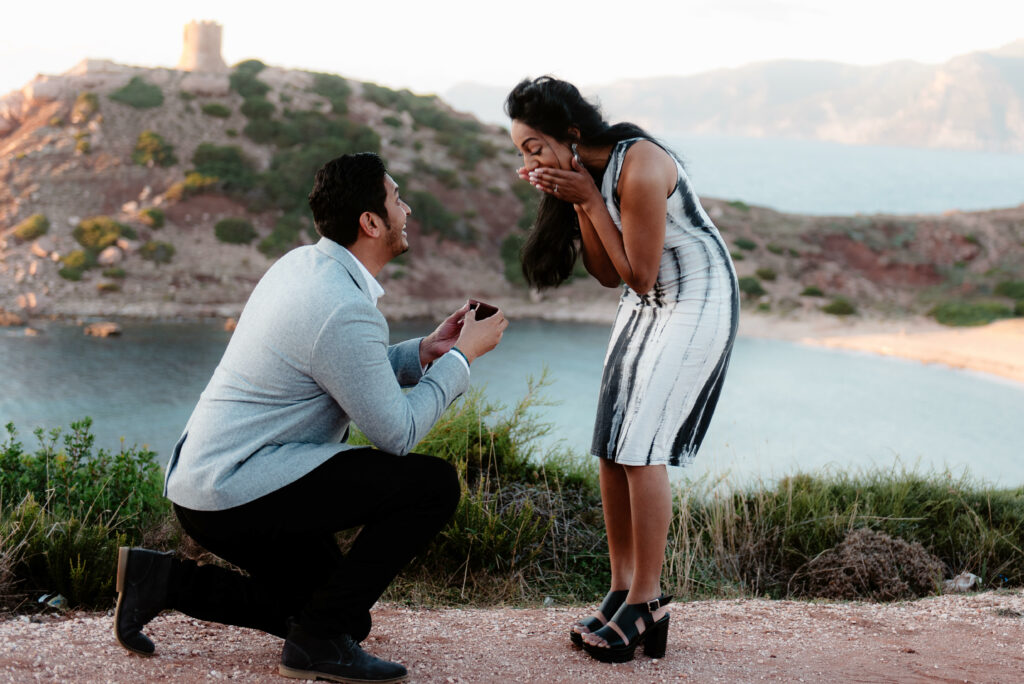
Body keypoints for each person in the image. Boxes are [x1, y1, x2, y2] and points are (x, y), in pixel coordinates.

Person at [113, 152, 508, 683]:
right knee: (431, 485)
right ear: (371, 222)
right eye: (397, 199)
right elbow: (398, 433)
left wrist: (426, 351)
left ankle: (159, 581)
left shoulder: (303, 265)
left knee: (343, 614)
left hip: (208, 484)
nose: (407, 208)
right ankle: (316, 644)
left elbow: (340, 367)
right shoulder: (343, 306)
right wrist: (465, 358)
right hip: (235, 490)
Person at [505, 77, 739, 664]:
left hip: (697, 299)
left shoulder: (638, 166)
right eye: (520, 152)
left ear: (572, 137)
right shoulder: (593, 176)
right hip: (647, 300)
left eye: (534, 147)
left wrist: (586, 198)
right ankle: (620, 589)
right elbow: (609, 277)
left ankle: (648, 601)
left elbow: (638, 273)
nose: (527, 160)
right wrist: (577, 199)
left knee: (642, 447)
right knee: (611, 445)